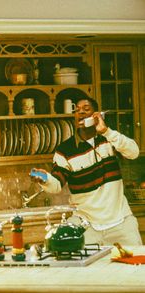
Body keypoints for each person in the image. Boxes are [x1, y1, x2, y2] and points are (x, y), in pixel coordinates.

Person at [30, 97, 142, 246]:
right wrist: (45, 179)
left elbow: (133, 152)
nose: (80, 112)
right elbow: (56, 185)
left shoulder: (109, 139)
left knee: (136, 268)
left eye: (86, 109)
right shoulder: (65, 150)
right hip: (86, 226)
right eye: (77, 110)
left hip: (121, 223)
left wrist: (106, 131)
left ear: (97, 115)